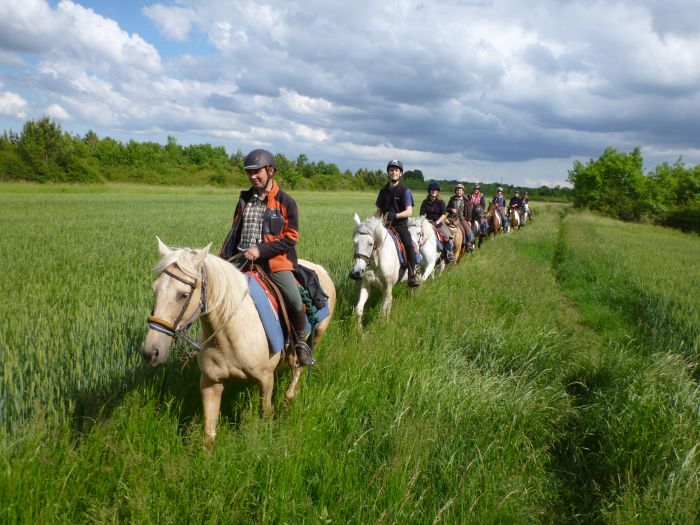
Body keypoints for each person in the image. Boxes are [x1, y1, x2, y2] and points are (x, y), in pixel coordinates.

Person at [219, 148, 314, 367]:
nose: (253, 176)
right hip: (241, 259)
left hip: (274, 262)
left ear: (270, 170)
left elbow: (290, 238)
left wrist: (261, 250)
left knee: (293, 298)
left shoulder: (285, 202)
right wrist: (222, 259)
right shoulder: (244, 200)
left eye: (257, 172)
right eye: (249, 173)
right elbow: (234, 231)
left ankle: (301, 344)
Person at [374, 159, 420, 287]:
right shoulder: (383, 192)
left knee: (409, 245)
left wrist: (396, 215)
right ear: (388, 173)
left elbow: (409, 211)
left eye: (396, 170)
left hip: (400, 226)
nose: (393, 172)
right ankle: (363, 270)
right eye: (391, 170)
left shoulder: (405, 191)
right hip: (385, 226)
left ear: (400, 173)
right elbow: (379, 211)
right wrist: (370, 223)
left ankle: (412, 274)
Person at [420, 182, 455, 262]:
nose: (434, 191)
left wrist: (436, 223)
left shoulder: (441, 202)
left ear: (438, 191)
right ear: (429, 191)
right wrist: (425, 223)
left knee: (446, 236)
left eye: (435, 190)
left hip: (438, 223)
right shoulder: (425, 202)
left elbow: (443, 214)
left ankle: (449, 252)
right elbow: (422, 214)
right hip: (427, 223)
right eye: (432, 190)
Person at [446, 183, 475, 251]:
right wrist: (451, 209)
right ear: (455, 191)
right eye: (457, 190)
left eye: (460, 190)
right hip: (451, 218)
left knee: (468, 231)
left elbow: (469, 212)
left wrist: (469, 221)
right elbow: (447, 208)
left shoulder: (467, 200)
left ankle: (470, 244)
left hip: (462, 218)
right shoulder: (452, 199)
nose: (459, 192)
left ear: (463, 191)